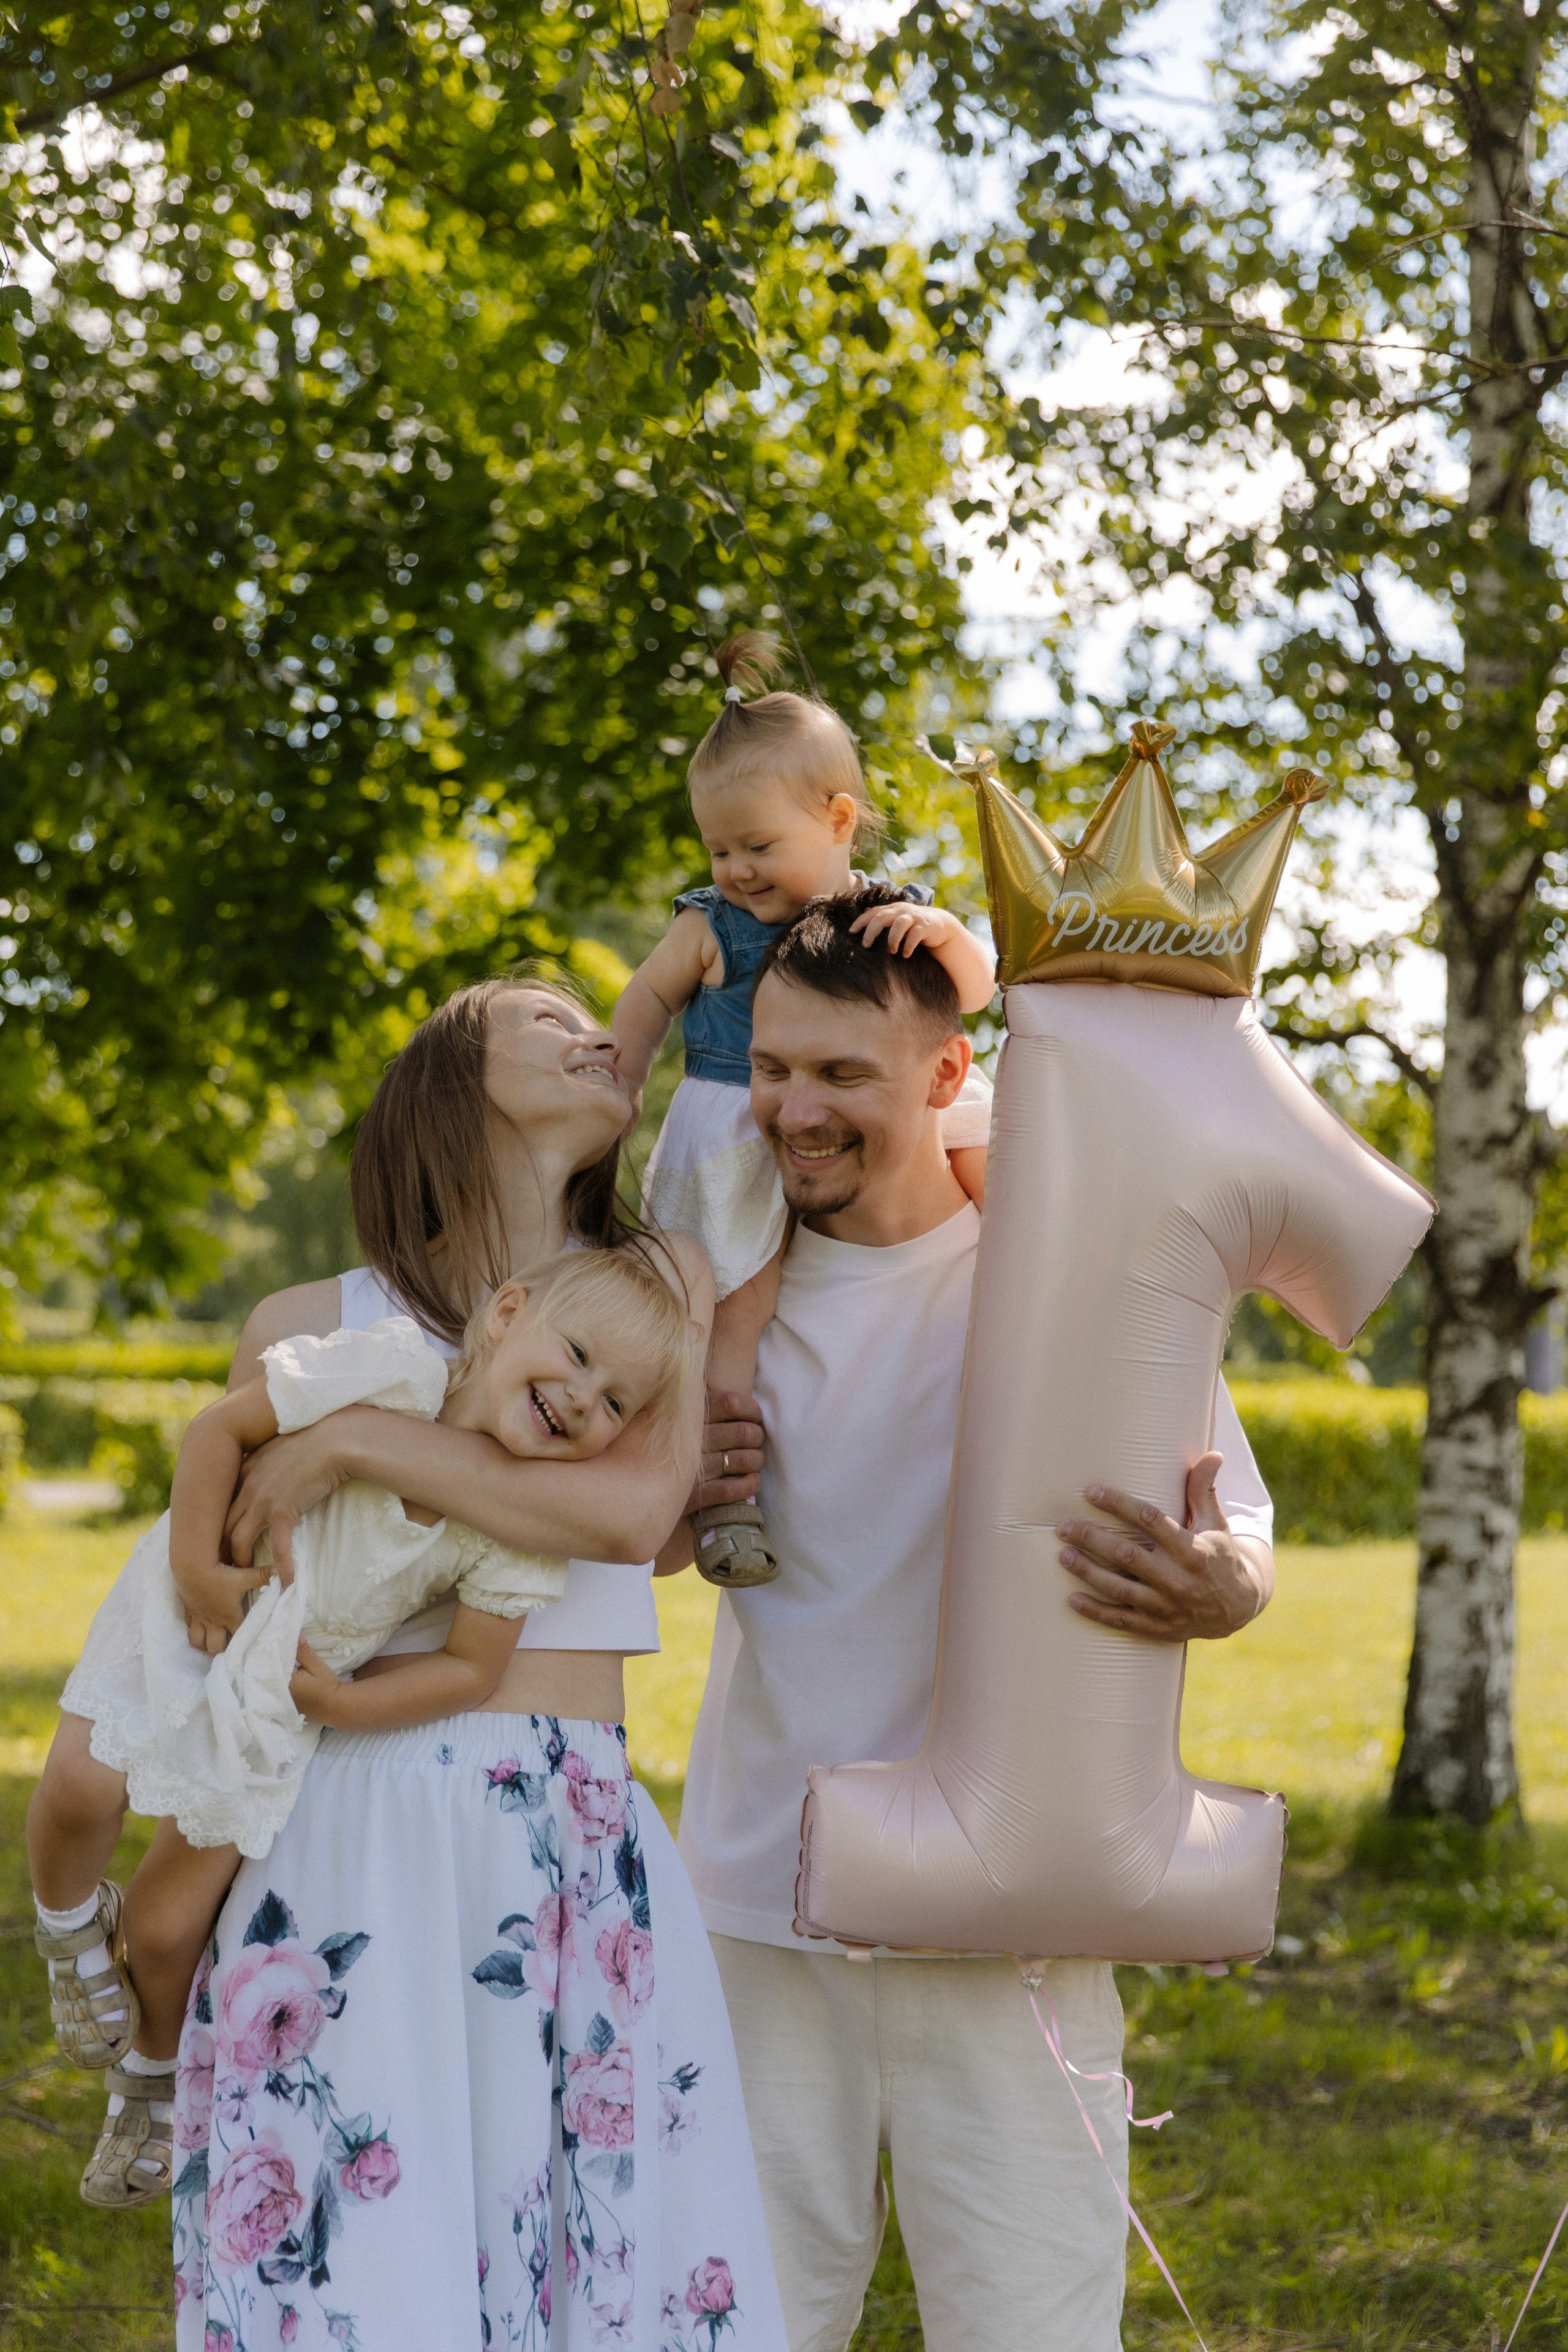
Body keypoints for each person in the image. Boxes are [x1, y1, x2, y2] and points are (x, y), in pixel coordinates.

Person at [53, 974, 790, 2352]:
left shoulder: (654, 1289)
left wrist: (358, 1445)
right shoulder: (302, 1318)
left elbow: (629, 1517)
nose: (594, 1037)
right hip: (345, 1809)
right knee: (353, 2260)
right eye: (542, 1021)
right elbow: (251, 1611)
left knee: (585, 2253)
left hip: (560, 1817)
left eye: (599, 1023)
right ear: (448, 1082)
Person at [662, 889, 1278, 2352]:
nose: (791, 1112)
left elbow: (1231, 1527)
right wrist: (674, 1493)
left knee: (1030, 2329)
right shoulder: (703, 1308)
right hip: (762, 1903)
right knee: (735, 2327)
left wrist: (1226, 1588)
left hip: (1013, 1923)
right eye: (770, 1069)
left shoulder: (1076, 1280)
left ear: (947, 1078)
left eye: (839, 1078)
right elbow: (602, 1570)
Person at [30, 1245, 698, 2207]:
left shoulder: (513, 1527)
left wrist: (341, 1705)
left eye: (616, 1405)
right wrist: (191, 1566)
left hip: (285, 1688)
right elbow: (219, 1430)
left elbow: (472, 1668)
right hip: (192, 1604)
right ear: (505, 1313)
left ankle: (151, 2070)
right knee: (85, 1789)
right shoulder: (385, 1372)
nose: (584, 1399)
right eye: (580, 1356)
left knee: (172, 1925)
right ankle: (65, 1926)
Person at [611, 631, 995, 1586]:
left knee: (982, 1127)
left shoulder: (883, 917)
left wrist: (944, 933)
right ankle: (724, 1492)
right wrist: (617, 1085)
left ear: (838, 820)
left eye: (759, 846)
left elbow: (978, 994)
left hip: (879, 1142)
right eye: (720, 848)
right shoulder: (713, 924)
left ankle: (1011, 1263)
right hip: (737, 1135)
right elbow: (647, 998)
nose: (738, 868)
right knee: (737, 1310)